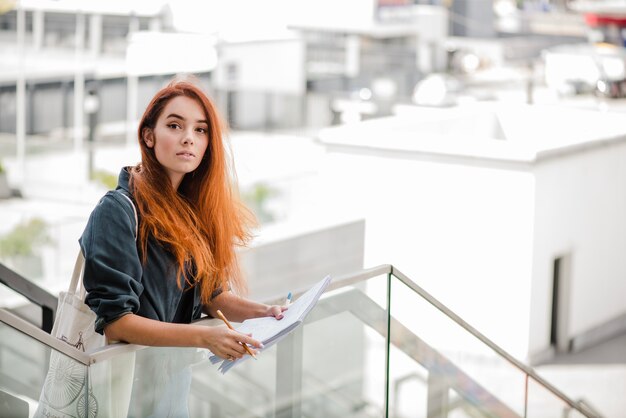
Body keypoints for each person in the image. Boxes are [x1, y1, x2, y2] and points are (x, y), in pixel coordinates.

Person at [80, 76, 286, 362]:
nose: (189, 137)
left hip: (172, 381)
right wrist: (204, 337)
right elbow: (117, 321)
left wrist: (267, 312)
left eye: (200, 130)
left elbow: (212, 298)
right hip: (125, 384)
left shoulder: (194, 211)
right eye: (175, 126)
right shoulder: (117, 211)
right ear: (148, 136)